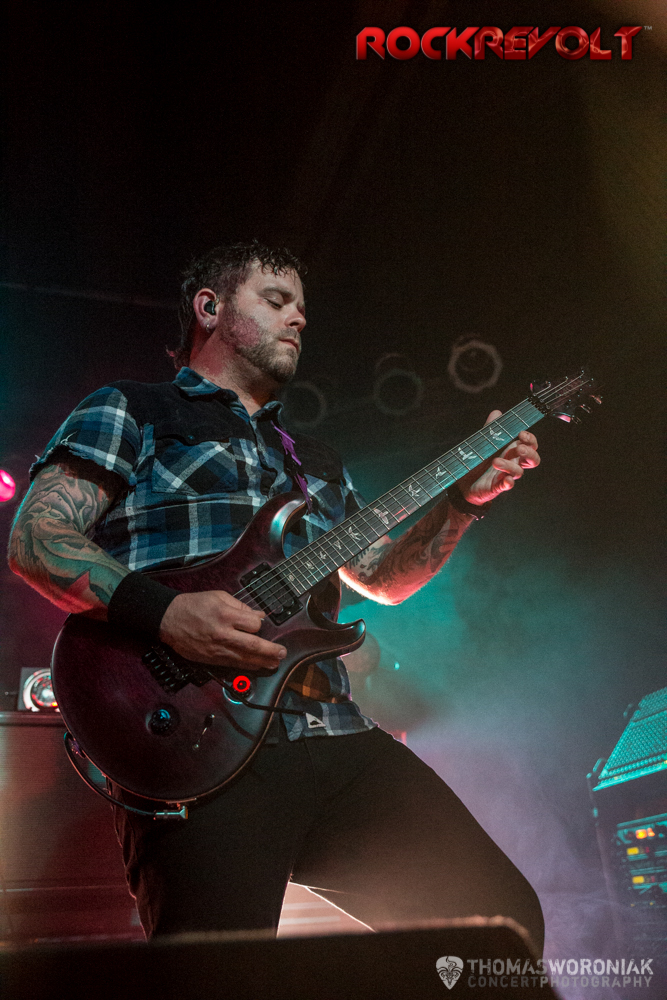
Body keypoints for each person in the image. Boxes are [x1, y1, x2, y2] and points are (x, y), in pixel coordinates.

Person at [8, 241, 544, 950]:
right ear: (209, 308)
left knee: (499, 924)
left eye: (302, 308)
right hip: (196, 743)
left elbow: (383, 579)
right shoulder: (132, 409)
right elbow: (36, 537)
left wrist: (461, 504)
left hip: (333, 735)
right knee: (218, 978)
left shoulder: (313, 459)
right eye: (276, 300)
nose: (298, 319)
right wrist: (167, 613)